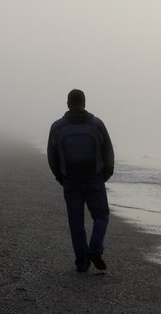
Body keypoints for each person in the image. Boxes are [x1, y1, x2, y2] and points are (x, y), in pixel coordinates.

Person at [47, 89, 114, 272]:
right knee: (101, 216)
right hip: (94, 180)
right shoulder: (96, 124)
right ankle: (95, 248)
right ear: (85, 103)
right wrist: (104, 175)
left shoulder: (57, 127)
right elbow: (108, 151)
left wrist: (61, 177)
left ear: (68, 104)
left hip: (71, 181)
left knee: (76, 222)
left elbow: (52, 157)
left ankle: (82, 263)